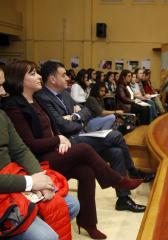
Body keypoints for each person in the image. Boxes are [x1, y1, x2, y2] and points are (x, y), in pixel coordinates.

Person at [2, 60, 143, 239]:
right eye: (33, 74)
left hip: (54, 149)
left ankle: (88, 222)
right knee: (84, 149)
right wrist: (58, 139)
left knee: (86, 171)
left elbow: (56, 125)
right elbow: (28, 144)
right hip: (37, 159)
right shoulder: (14, 106)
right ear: (19, 79)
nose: (39, 77)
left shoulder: (37, 98)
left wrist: (60, 139)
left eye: (37, 73)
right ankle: (117, 180)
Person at [34, 61, 155, 213]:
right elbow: (61, 126)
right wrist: (77, 119)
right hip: (67, 142)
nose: (67, 79)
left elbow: (86, 111)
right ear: (52, 79)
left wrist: (74, 116)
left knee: (117, 153)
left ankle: (123, 199)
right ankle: (132, 170)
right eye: (63, 75)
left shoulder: (64, 93)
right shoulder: (43, 97)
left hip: (81, 134)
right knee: (116, 135)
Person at [0, 109, 80, 240]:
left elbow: (20, 150)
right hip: (10, 184)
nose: (3, 92)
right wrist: (30, 182)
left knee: (72, 204)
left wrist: (40, 180)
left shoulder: (2, 114)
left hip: (12, 177)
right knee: (47, 237)